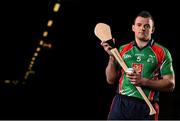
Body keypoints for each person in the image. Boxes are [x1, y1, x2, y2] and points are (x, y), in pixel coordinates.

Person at [100, 10, 175, 120]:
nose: (142, 28)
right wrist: (111, 56)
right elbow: (110, 79)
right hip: (121, 103)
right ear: (133, 28)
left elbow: (170, 84)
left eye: (147, 26)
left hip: (147, 106)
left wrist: (143, 81)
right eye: (139, 25)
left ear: (152, 29)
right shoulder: (122, 49)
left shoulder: (162, 52)